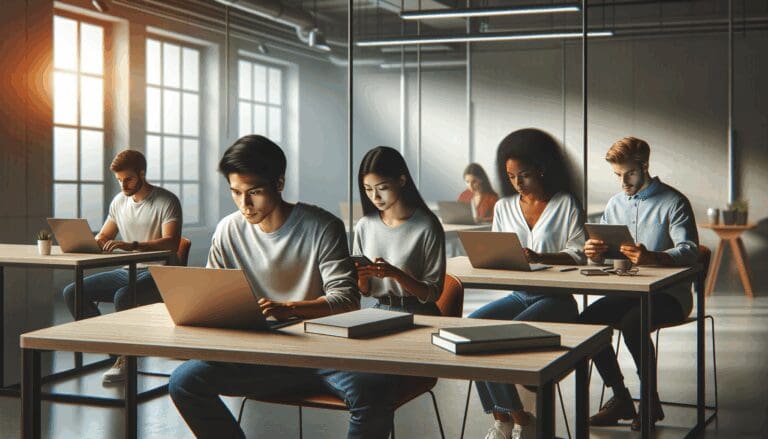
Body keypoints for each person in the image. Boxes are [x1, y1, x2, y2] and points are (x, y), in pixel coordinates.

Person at [168, 135, 397, 439]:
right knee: (183, 381)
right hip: (260, 355)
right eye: (235, 192)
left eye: (254, 192)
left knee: (374, 392)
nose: (244, 204)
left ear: (279, 183)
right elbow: (213, 298)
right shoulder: (227, 230)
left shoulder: (321, 226)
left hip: (322, 354)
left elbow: (346, 302)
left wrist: (287, 308)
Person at [467, 129, 586, 439]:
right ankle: (503, 419)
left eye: (525, 175)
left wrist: (541, 255)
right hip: (520, 295)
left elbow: (579, 254)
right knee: (472, 327)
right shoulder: (504, 207)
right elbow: (496, 252)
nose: (518, 183)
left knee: (498, 340)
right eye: (511, 176)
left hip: (556, 298)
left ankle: (523, 421)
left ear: (541, 171)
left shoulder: (564, 203)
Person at [578, 136, 699, 431]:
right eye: (617, 175)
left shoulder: (674, 201)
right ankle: (620, 398)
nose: (623, 183)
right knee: (585, 322)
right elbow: (606, 257)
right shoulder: (615, 204)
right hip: (630, 291)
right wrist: (594, 253)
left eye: (628, 173)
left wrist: (654, 257)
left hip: (670, 296)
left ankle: (650, 402)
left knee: (634, 323)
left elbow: (691, 251)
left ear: (644, 166)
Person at [61, 149, 182, 384]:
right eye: (119, 180)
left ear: (142, 174)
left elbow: (172, 243)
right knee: (72, 292)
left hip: (160, 271)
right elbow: (105, 235)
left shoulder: (166, 201)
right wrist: (87, 242)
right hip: (128, 270)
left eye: (128, 179)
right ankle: (118, 354)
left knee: (124, 297)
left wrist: (131, 245)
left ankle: (124, 359)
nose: (123, 185)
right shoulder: (119, 201)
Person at [354, 145, 446, 315]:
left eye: (382, 188)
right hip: (379, 311)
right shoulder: (364, 225)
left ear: (401, 181)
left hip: (419, 314)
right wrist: (363, 277)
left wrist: (396, 274)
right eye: (368, 189)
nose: (375, 197)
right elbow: (364, 291)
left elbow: (433, 294)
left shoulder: (427, 226)